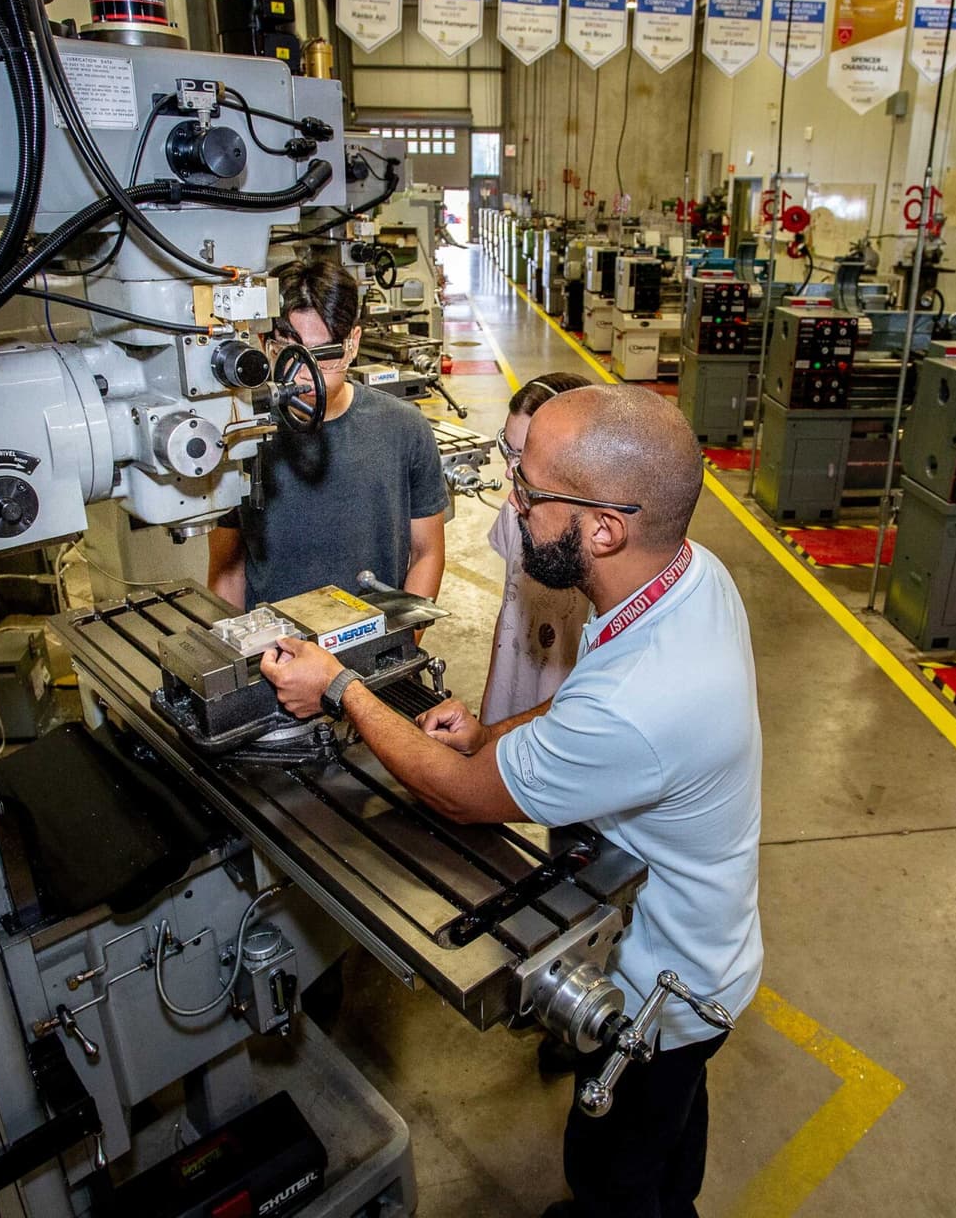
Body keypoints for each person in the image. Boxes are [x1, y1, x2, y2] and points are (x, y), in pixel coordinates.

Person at [261, 384, 763, 1218]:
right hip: (710, 955)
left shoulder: (648, 698)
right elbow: (585, 702)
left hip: (657, 994)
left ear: (604, 527)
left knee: (612, 1176)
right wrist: (495, 734)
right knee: (673, 1135)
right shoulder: (685, 578)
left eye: (529, 493)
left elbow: (460, 799)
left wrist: (340, 686)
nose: (511, 506)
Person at [206, 257, 448, 607]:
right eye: (286, 352)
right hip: (276, 651)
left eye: (325, 355)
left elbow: (427, 553)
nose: (304, 376)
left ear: (353, 344)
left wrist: (403, 641)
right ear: (263, 343)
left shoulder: (405, 428)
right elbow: (227, 569)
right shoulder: (240, 437)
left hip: (373, 642)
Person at [482, 372, 594, 726]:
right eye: (508, 450)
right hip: (512, 696)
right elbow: (509, 608)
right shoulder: (514, 512)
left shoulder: (595, 540)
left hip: (568, 714)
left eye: (523, 457)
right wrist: (489, 713)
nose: (508, 472)